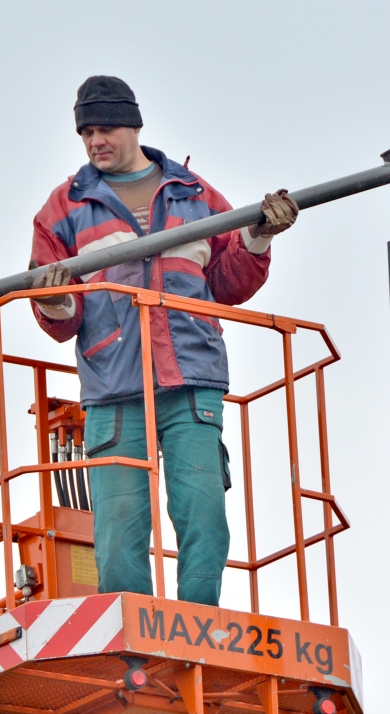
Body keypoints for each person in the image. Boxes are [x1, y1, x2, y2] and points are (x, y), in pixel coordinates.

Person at [29, 76, 298, 606]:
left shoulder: (193, 195)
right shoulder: (64, 209)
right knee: (118, 527)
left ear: (133, 126)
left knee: (202, 511)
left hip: (190, 382)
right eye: (86, 133)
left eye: (104, 129)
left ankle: (198, 623)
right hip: (114, 389)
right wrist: (52, 300)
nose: (94, 142)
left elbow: (225, 284)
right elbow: (61, 315)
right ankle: (131, 637)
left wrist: (257, 236)